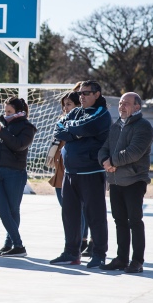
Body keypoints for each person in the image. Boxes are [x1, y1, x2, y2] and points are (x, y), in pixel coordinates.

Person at [50, 80, 111, 268]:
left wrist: (75, 132)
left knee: (95, 215)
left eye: (86, 93)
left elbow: (86, 128)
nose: (81, 96)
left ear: (97, 94)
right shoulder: (76, 112)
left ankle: (99, 254)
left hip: (91, 171)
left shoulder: (101, 113)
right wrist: (75, 133)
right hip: (70, 173)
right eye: (80, 93)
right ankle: (71, 252)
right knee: (69, 214)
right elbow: (59, 129)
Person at [98, 92, 153, 273]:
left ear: (137, 107)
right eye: (121, 103)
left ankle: (137, 261)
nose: (122, 106)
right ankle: (121, 259)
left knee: (135, 221)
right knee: (119, 221)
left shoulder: (143, 126)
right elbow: (104, 148)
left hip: (134, 181)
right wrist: (104, 162)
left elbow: (134, 152)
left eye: (126, 103)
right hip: (115, 182)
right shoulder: (116, 126)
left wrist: (112, 162)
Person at [0, 96, 37, 257]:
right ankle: (15, 245)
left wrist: (2, 131)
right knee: (2, 210)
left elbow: (19, 145)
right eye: (4, 110)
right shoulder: (2, 124)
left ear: (20, 112)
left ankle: (13, 245)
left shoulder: (27, 127)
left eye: (9, 111)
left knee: (12, 210)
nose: (5, 114)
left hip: (15, 173)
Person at [47, 91, 91, 255]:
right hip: (60, 175)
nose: (65, 108)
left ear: (78, 106)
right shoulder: (61, 124)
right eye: (63, 105)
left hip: (75, 175)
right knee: (67, 213)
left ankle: (78, 245)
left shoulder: (82, 125)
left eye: (69, 104)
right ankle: (74, 244)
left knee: (77, 212)